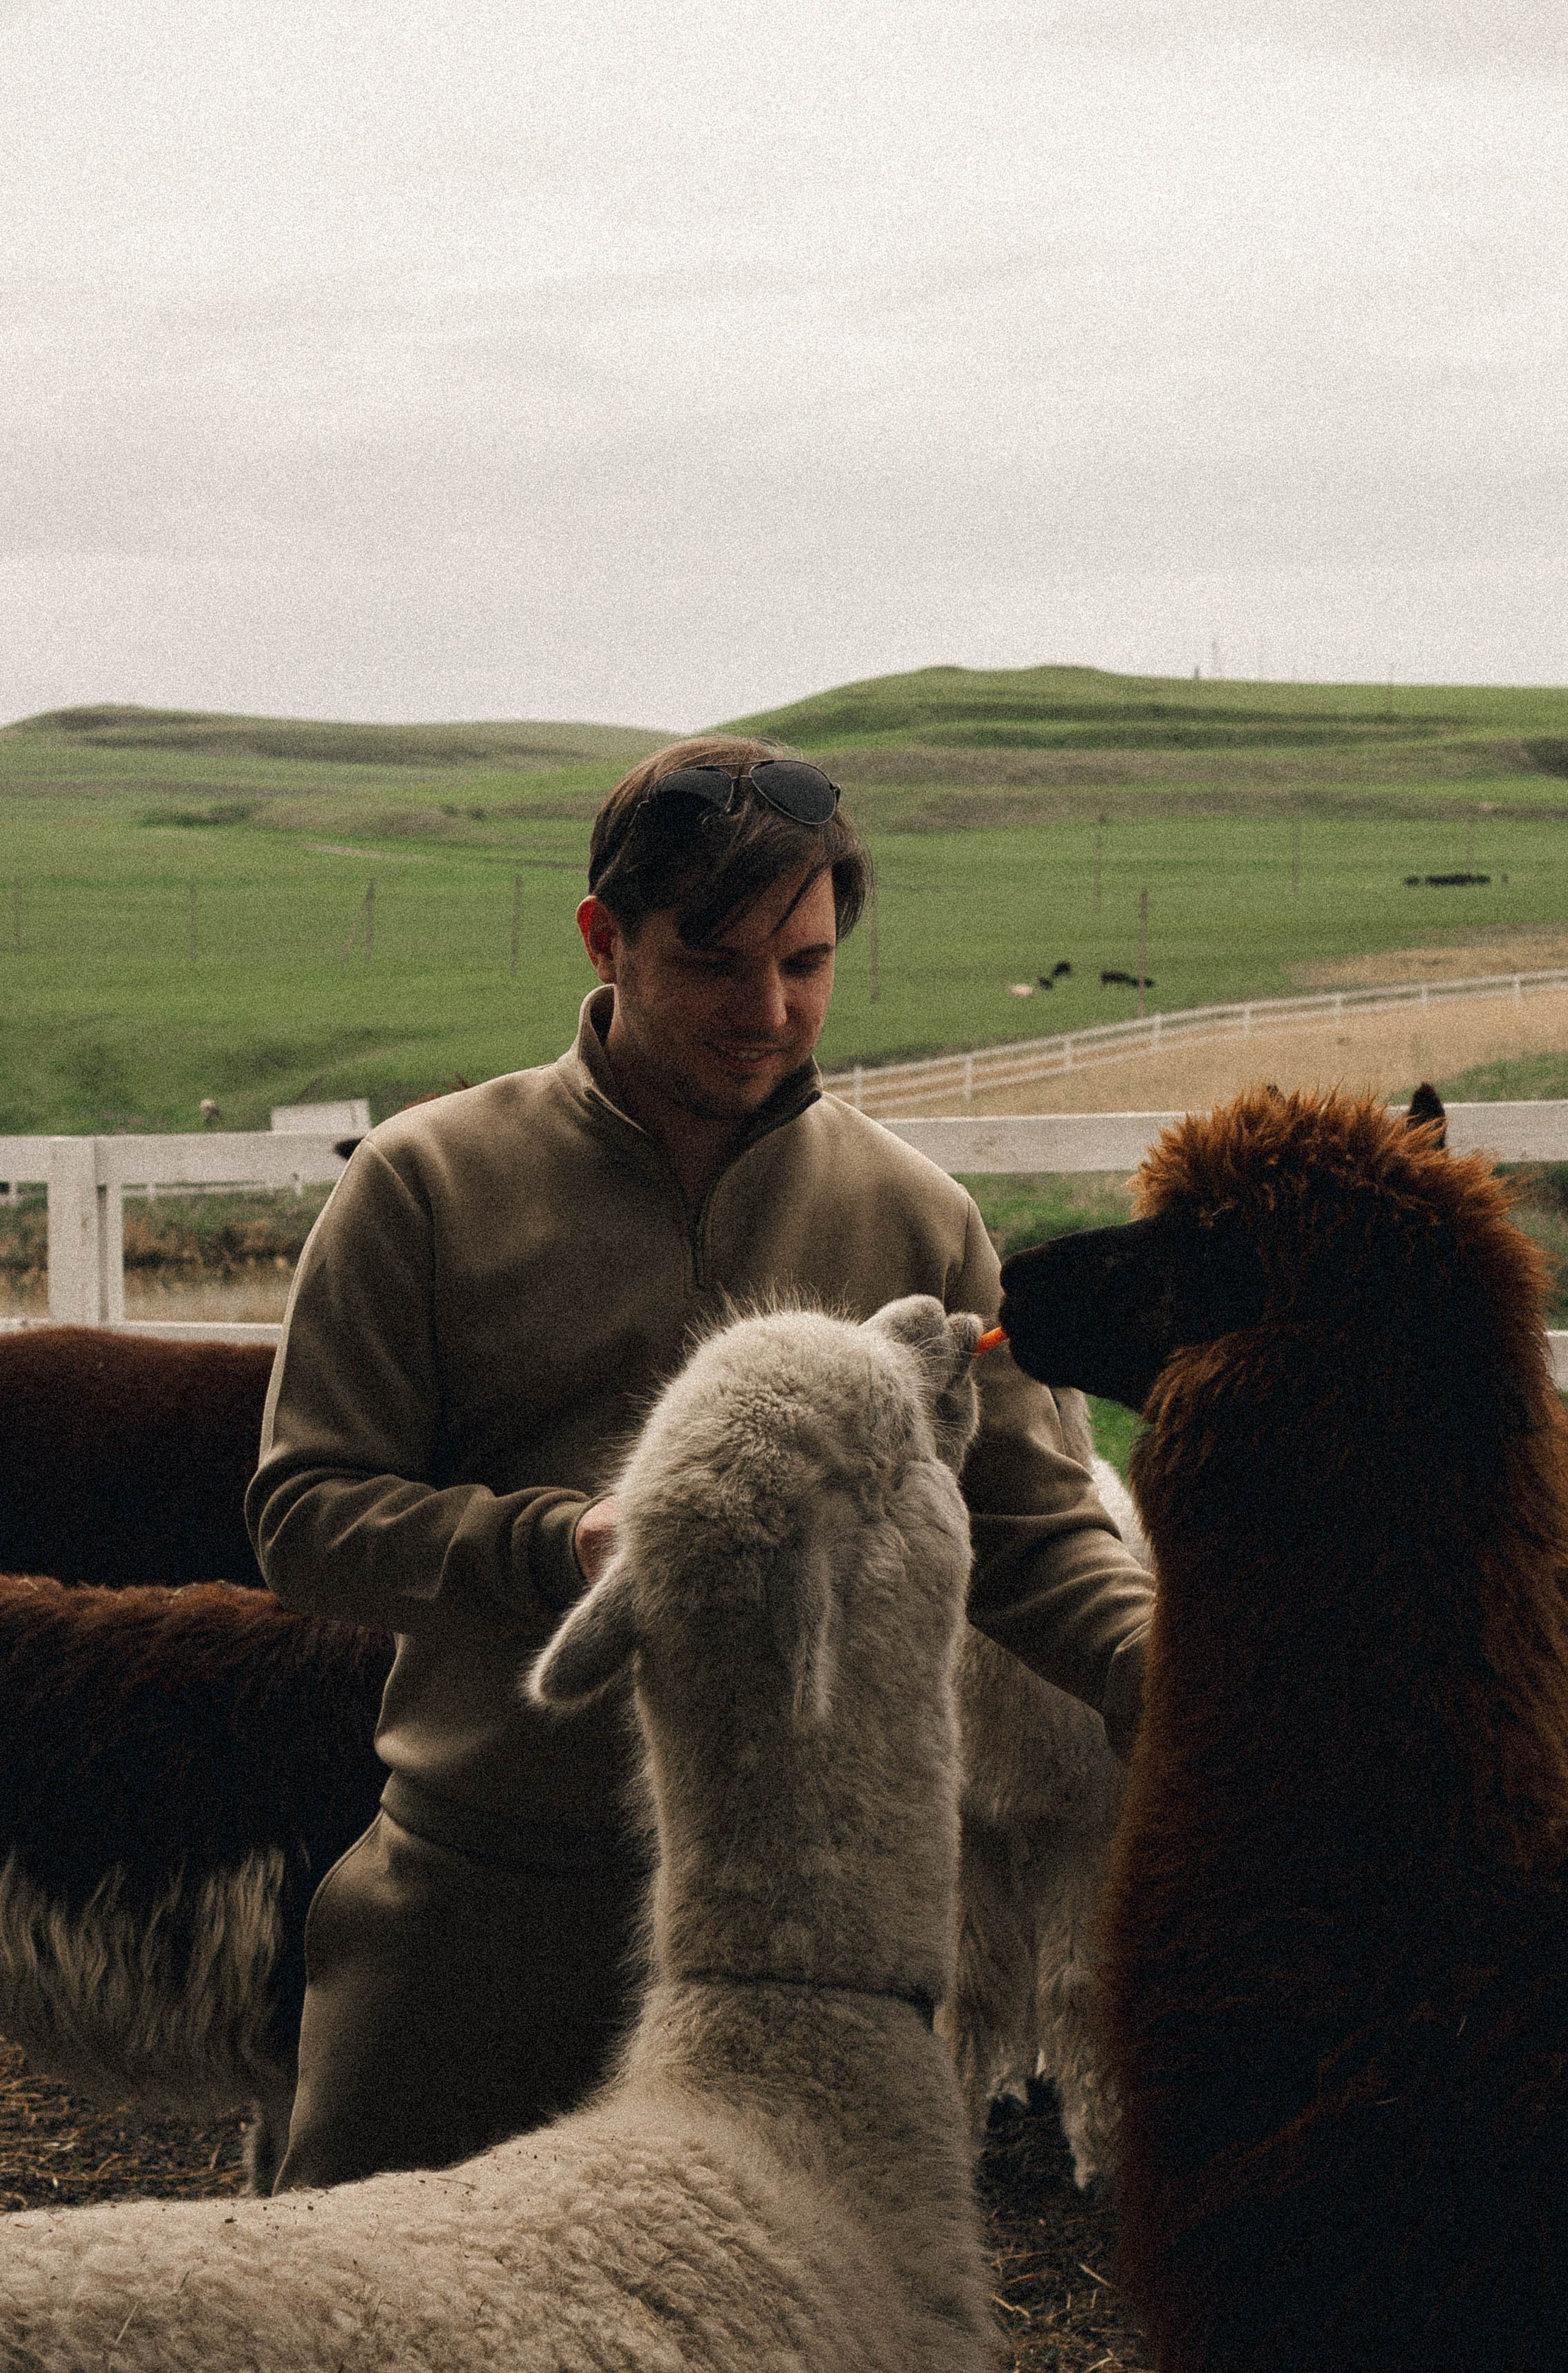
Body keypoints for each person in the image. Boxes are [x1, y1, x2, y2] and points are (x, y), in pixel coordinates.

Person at [248, 735, 1152, 2193]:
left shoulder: (916, 1217)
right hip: (481, 1906)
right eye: (717, 960)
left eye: (805, 961)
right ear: (605, 937)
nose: (769, 1010)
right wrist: (563, 1552)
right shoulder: (419, 1186)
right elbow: (304, 1515)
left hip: (808, 1947)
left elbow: (1035, 1535)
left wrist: (1165, 1674)